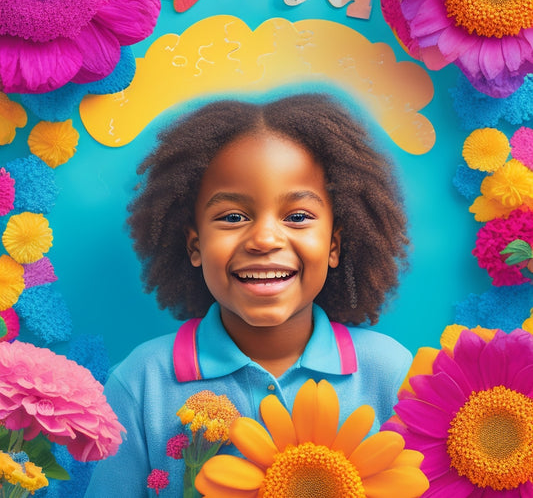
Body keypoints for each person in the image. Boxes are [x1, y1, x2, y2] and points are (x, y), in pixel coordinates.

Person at [84, 92, 412, 496]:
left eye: (297, 217)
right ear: (194, 246)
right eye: (233, 217)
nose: (264, 239)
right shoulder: (141, 382)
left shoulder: (390, 374)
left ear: (334, 246)